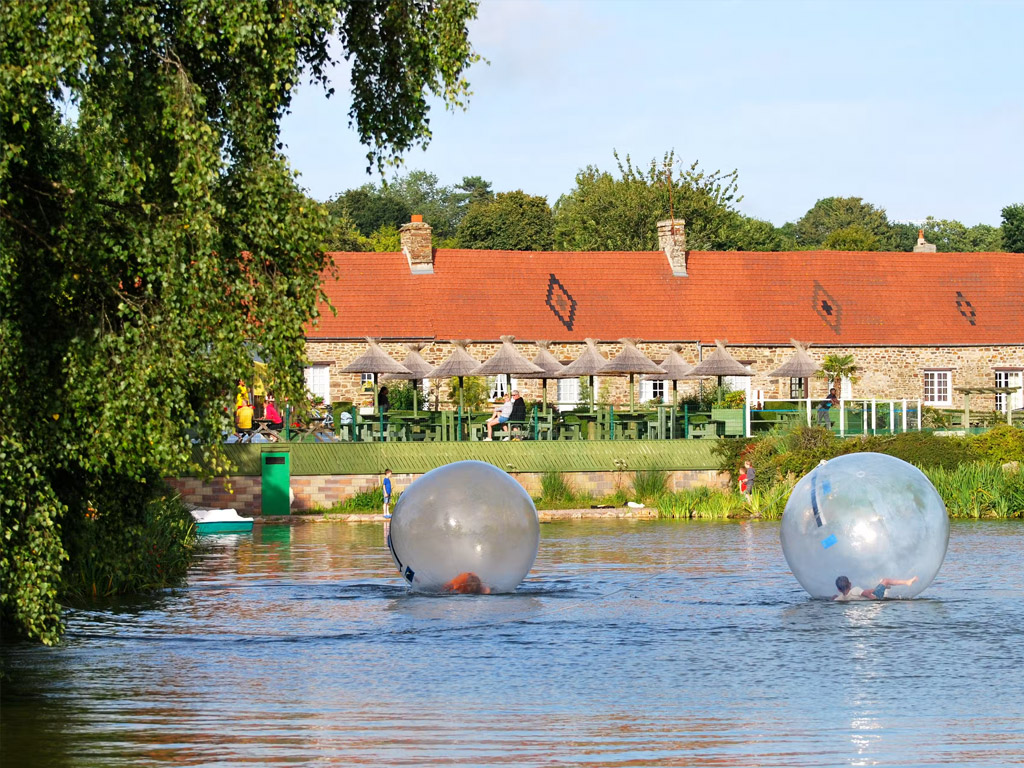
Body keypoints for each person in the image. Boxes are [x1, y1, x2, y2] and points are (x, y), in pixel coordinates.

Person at [833, 575, 918, 601]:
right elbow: (866, 593)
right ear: (850, 584)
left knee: (880, 585)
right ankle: (907, 582)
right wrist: (875, 599)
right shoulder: (855, 590)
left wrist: (834, 598)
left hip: (868, 599)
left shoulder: (841, 598)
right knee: (885, 580)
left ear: (839, 590)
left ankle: (884, 587)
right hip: (875, 597)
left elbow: (836, 599)